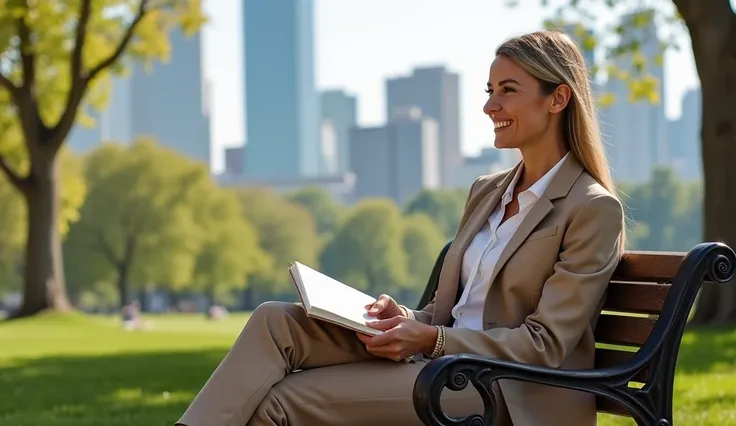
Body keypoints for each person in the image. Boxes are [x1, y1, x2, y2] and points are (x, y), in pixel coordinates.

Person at [175, 30, 626, 426]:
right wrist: (407, 319)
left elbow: (545, 345)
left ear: (558, 98)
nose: (490, 106)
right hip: (443, 360)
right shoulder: (488, 191)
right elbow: (455, 309)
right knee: (276, 320)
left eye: (507, 90)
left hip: (508, 390)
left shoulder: (591, 208)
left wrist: (433, 339)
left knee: (280, 402)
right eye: (489, 90)